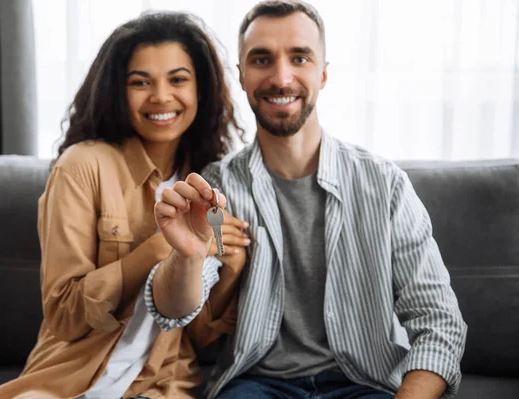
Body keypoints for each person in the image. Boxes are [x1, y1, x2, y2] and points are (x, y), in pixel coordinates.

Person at [145, 1, 468, 398]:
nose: (281, 78)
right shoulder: (217, 185)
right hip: (256, 385)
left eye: (299, 57)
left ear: (324, 73)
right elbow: (174, 311)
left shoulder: (385, 185)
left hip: (365, 383)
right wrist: (187, 256)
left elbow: (438, 322)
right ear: (242, 76)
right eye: (262, 59)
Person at [0, 11, 250, 399]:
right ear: (116, 91)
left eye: (178, 79)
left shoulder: (213, 184)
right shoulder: (82, 167)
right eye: (140, 82)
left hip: (163, 384)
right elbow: (64, 314)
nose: (161, 96)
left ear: (201, 90)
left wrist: (230, 267)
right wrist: (160, 247)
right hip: (65, 378)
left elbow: (202, 338)